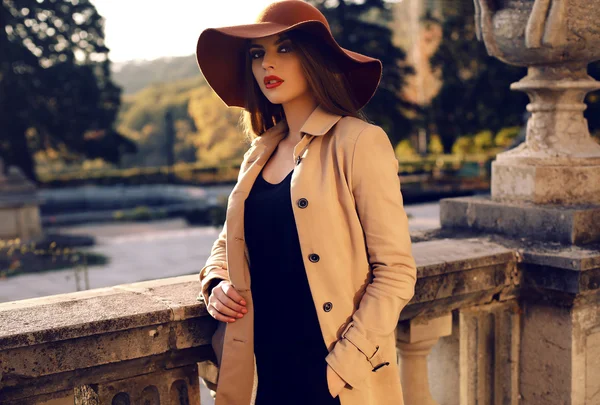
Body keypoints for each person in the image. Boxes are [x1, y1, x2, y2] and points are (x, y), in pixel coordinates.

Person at [195, 1, 417, 404]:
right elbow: (229, 243)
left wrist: (339, 369)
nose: (267, 64)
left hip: (335, 379)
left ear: (313, 58)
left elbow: (396, 271)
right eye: (257, 53)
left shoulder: (358, 142)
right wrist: (215, 282)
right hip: (265, 376)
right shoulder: (257, 155)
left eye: (284, 48)